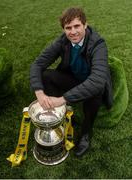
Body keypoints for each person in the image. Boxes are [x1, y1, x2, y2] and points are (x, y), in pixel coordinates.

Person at [30, 7, 113, 157]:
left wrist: (62, 99)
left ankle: (86, 133)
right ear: (64, 29)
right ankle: (64, 115)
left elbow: (97, 81)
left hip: (92, 83)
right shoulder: (62, 41)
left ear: (85, 25)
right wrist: (39, 92)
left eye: (77, 26)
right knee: (46, 76)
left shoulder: (98, 44)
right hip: (74, 79)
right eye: (68, 28)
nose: (73, 32)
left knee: (96, 91)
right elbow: (37, 64)